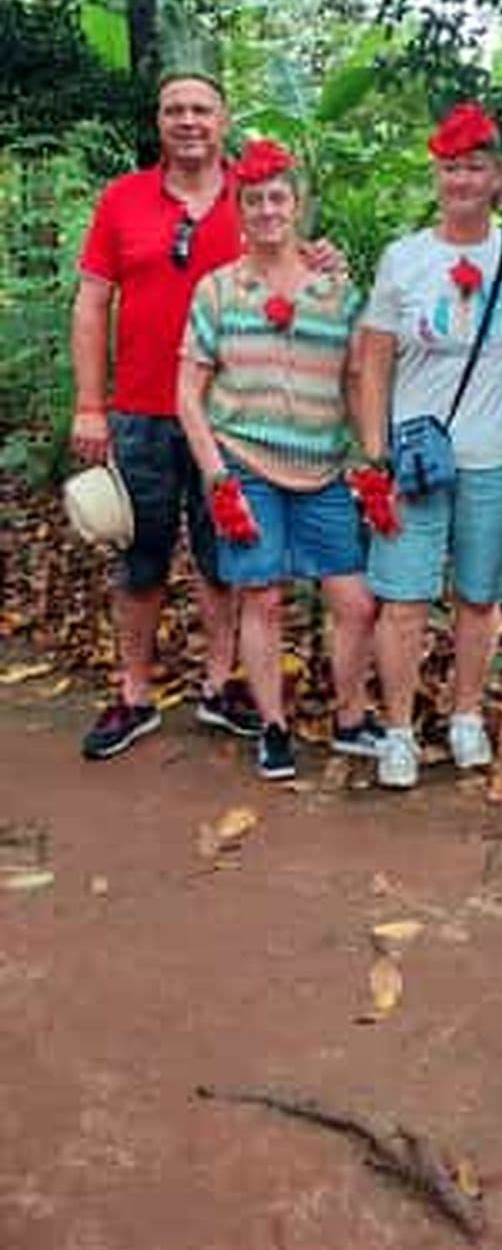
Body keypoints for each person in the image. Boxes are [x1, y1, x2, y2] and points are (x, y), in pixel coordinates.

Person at [72, 38, 258, 759]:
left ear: (223, 116)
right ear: (159, 120)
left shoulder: (257, 192)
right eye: (174, 109)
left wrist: (323, 260)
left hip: (232, 415)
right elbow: (92, 303)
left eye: (201, 108)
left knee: (223, 559)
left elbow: (292, 279)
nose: (188, 121)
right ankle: (135, 693)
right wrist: (91, 403)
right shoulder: (123, 198)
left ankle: (220, 685)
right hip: (142, 409)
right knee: (141, 557)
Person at [177, 137, 381, 779]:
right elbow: (187, 392)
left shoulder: (337, 291)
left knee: (355, 601)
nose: (267, 210)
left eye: (278, 198)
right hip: (243, 462)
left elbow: (356, 381)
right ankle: (273, 727)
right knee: (261, 598)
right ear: (239, 209)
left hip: (322, 470)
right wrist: (216, 476)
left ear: (298, 205)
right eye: (254, 200)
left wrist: (372, 459)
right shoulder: (217, 290)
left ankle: (351, 718)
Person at [358, 101, 502, 790]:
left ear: (498, 178)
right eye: (450, 167)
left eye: (475, 167)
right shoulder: (405, 258)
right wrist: (376, 452)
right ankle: (399, 728)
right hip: (413, 460)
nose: (461, 180)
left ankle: (466, 712)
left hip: (495, 456)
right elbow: (373, 358)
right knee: (402, 599)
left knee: (478, 595)